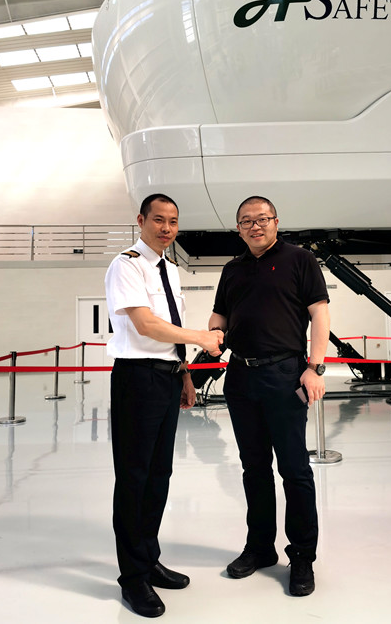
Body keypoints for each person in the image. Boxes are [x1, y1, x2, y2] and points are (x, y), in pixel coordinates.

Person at [105, 193, 224, 618]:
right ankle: (132, 578)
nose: (166, 228)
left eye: (173, 221)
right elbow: (146, 324)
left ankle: (148, 558)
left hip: (167, 376)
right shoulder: (127, 265)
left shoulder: (169, 269)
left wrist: (185, 374)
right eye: (158, 219)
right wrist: (201, 338)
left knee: (159, 475)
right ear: (141, 220)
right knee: (134, 477)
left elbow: (169, 327)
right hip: (137, 378)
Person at [208, 195, 330, 597]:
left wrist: (315, 367)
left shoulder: (299, 259)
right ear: (238, 229)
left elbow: (319, 312)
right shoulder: (232, 269)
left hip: (284, 374)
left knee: (294, 469)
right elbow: (220, 316)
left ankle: (302, 557)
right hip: (240, 377)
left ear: (276, 221)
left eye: (262, 219)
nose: (255, 226)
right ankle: (260, 548)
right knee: (254, 468)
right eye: (247, 221)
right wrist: (210, 337)